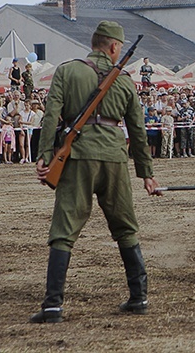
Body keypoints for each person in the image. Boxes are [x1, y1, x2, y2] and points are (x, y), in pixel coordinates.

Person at [31, 21, 161, 323]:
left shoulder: (67, 70)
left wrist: (45, 155)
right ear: (114, 47)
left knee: (63, 230)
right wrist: (146, 173)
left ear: (94, 43)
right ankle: (139, 297)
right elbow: (138, 132)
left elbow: (51, 115)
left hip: (77, 157)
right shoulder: (126, 81)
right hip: (115, 159)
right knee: (126, 227)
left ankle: (53, 305)